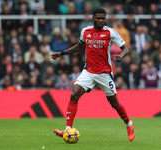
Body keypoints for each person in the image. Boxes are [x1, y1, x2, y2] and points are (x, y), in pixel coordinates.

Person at [51, 8, 135, 142]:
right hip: (89, 71)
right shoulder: (85, 31)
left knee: (114, 103)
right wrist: (62, 53)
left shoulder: (110, 32)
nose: (101, 21)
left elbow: (126, 49)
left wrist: (121, 56)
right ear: (93, 18)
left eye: (103, 18)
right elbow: (79, 47)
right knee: (74, 94)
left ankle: (129, 125)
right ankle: (68, 129)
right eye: (98, 18)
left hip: (105, 73)